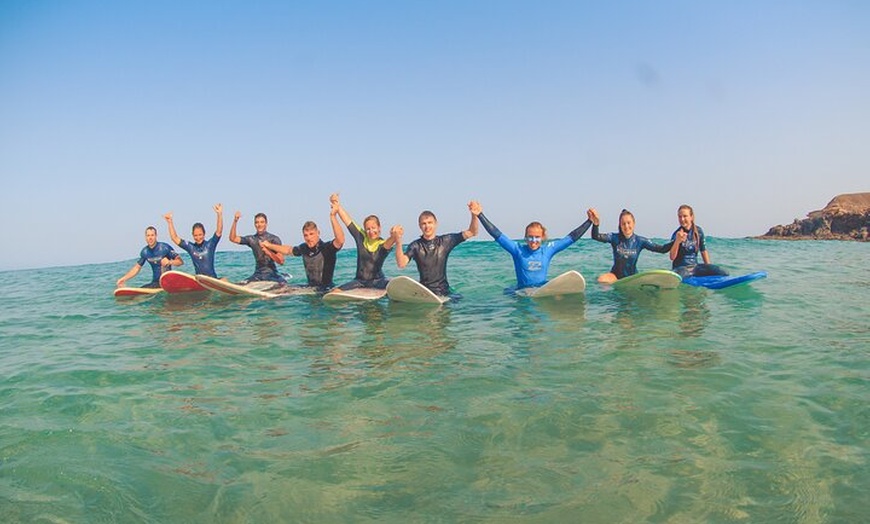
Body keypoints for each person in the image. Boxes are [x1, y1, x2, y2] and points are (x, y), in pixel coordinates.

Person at [477, 203, 592, 290]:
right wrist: (480, 215)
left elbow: (571, 238)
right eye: (530, 237)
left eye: (537, 237)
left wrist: (589, 221)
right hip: (521, 291)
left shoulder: (548, 250)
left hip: (540, 289)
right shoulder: (518, 250)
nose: (533, 240)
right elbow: (496, 234)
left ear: (542, 237)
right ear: (525, 237)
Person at [391, 201, 481, 297]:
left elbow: (472, 232)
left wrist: (474, 215)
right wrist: (398, 241)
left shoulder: (446, 241)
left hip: (444, 292)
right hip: (425, 292)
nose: (427, 226)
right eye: (424, 223)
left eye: (430, 223)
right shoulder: (415, 246)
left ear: (436, 224)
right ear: (420, 226)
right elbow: (401, 264)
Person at [259, 197, 346, 291]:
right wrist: (269, 245)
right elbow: (288, 250)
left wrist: (333, 216)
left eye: (311, 234)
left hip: (326, 288)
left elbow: (340, 240)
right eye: (306, 235)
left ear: (318, 233)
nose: (309, 238)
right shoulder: (304, 248)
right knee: (279, 288)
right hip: (310, 288)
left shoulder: (327, 248)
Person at [329, 193, 396, 291]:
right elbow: (347, 221)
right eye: (368, 229)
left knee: (393, 285)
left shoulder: (382, 244)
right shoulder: (361, 237)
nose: (371, 231)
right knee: (335, 291)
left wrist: (394, 235)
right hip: (359, 281)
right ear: (364, 230)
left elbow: (390, 242)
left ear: (379, 228)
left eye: (373, 228)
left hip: (378, 281)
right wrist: (337, 205)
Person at [588, 208, 672, 283]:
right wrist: (596, 224)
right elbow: (596, 236)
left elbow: (662, 249)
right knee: (601, 280)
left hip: (632, 277)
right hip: (615, 276)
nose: (626, 226)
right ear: (620, 226)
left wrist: (677, 241)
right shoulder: (614, 238)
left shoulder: (640, 241)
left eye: (629, 223)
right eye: (623, 224)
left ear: (634, 223)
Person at [163, 204, 223, 278]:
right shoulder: (190, 247)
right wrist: (170, 222)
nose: (198, 238)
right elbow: (174, 238)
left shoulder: (210, 244)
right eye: (195, 235)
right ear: (192, 235)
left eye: (200, 235)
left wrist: (219, 214)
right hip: (200, 280)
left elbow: (219, 231)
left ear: (204, 234)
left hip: (212, 279)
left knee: (224, 280)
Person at [669, 204, 729, 278]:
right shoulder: (677, 234)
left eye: (685, 216)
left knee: (723, 272)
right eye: (680, 216)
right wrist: (677, 241)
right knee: (684, 272)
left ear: (691, 217)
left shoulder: (698, 231)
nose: (682, 219)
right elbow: (672, 257)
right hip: (680, 268)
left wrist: (709, 268)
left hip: (695, 268)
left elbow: (703, 251)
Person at [229, 211, 286, 284]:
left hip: (272, 273)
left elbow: (281, 261)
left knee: (283, 284)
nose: (259, 224)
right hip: (258, 273)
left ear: (266, 224)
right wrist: (235, 221)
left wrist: (268, 252)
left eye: (262, 222)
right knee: (241, 284)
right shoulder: (251, 239)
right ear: (254, 224)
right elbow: (233, 238)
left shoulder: (274, 239)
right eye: (257, 222)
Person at [116, 226, 183, 288]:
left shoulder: (165, 247)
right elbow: (137, 268)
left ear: (156, 236)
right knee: (139, 292)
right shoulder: (145, 252)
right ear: (145, 237)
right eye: (148, 235)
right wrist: (123, 279)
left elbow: (180, 261)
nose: (150, 238)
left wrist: (169, 262)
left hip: (168, 282)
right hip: (155, 283)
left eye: (152, 235)